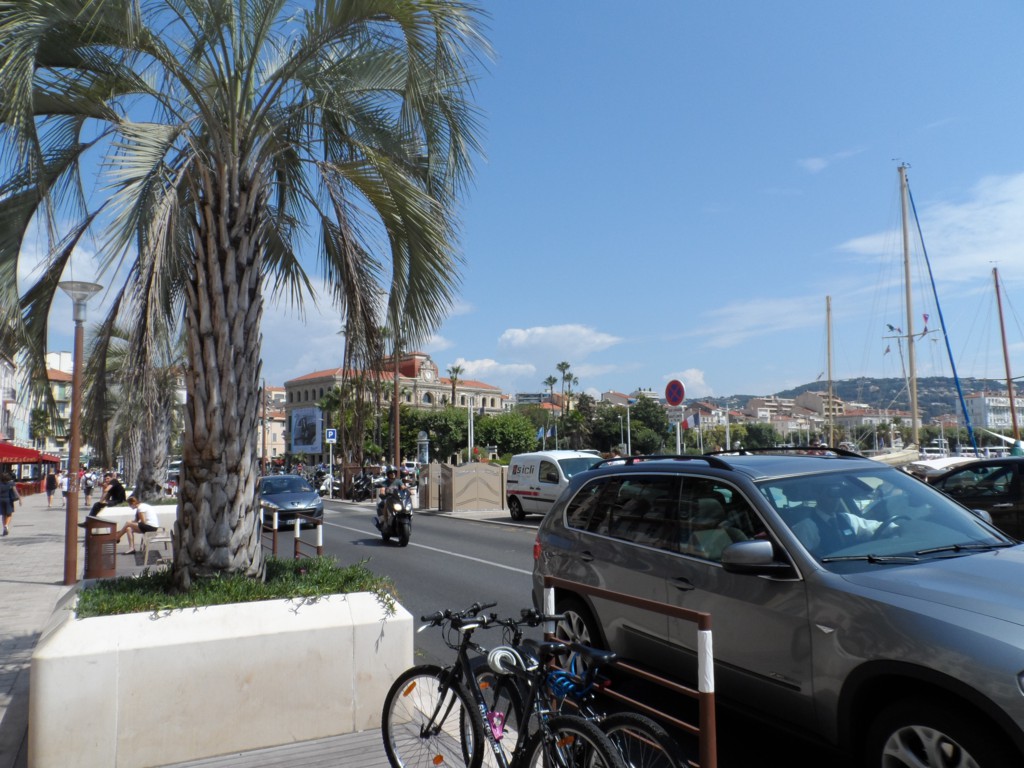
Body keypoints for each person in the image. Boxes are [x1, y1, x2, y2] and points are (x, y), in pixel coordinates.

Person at [0, 471, 22, 536]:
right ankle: (6, 526)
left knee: (4, 515)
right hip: (8, 500)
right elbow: (15, 492)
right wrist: (20, 498)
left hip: (1, 500)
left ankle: (4, 527)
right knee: (9, 514)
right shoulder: (11, 483)